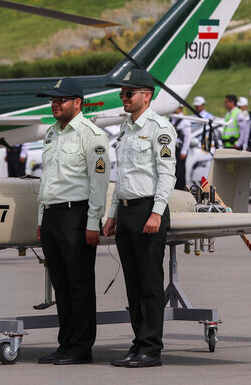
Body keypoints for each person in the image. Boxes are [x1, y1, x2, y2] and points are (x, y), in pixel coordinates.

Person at [102, 69, 176, 368]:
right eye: (122, 93)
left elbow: (167, 173)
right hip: (127, 209)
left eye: (129, 93)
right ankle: (138, 343)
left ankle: (151, 348)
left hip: (148, 210)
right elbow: (120, 176)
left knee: (149, 283)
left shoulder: (160, 127)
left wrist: (157, 212)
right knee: (133, 284)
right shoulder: (126, 128)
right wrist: (112, 214)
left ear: (147, 95)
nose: (124, 97)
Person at [35, 77, 110, 365]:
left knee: (79, 285)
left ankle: (81, 347)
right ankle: (65, 344)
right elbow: (47, 181)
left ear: (78, 103)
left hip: (75, 215)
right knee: (61, 286)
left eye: (61, 99)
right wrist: (42, 218)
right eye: (53, 99)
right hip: (53, 215)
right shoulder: (52, 134)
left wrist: (93, 222)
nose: (55, 104)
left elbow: (98, 182)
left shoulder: (91, 135)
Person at [170, 105, 191, 190]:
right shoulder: (171, 119)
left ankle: (181, 190)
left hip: (180, 150)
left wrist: (184, 151)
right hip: (172, 150)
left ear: (181, 109)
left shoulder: (185, 121)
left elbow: (187, 137)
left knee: (180, 172)